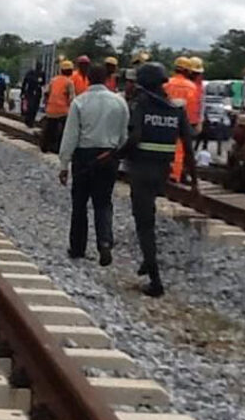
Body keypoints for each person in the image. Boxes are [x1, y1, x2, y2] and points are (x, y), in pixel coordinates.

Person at [121, 62, 196, 297]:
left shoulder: (141, 105)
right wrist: (195, 181)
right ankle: (147, 258)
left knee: (144, 224)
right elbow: (189, 146)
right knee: (148, 218)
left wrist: (115, 155)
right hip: (162, 172)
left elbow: (134, 137)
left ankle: (155, 282)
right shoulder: (176, 109)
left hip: (141, 170)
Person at [59, 64, 130, 266]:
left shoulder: (79, 102)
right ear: (108, 79)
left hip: (84, 156)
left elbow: (71, 135)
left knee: (80, 203)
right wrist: (116, 155)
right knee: (104, 202)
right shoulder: (119, 102)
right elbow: (124, 135)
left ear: (87, 79)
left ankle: (77, 248)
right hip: (109, 156)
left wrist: (64, 164)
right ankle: (105, 242)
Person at [166, 56, 205, 182]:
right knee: (182, 150)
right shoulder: (191, 87)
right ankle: (177, 175)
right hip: (186, 122)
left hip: (167, 121)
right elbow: (193, 107)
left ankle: (174, 173)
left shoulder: (166, 83)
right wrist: (195, 123)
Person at [41, 61, 77, 153]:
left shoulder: (53, 80)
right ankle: (56, 148)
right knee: (62, 132)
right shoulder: (69, 82)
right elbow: (71, 98)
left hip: (51, 110)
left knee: (49, 130)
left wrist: (46, 103)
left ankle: (44, 146)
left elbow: (46, 93)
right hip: (63, 111)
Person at [21, 63, 46, 128]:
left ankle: (31, 121)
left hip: (37, 91)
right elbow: (25, 82)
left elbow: (43, 82)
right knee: (30, 106)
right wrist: (23, 92)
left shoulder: (42, 74)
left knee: (35, 107)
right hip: (30, 91)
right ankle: (28, 120)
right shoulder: (30, 73)